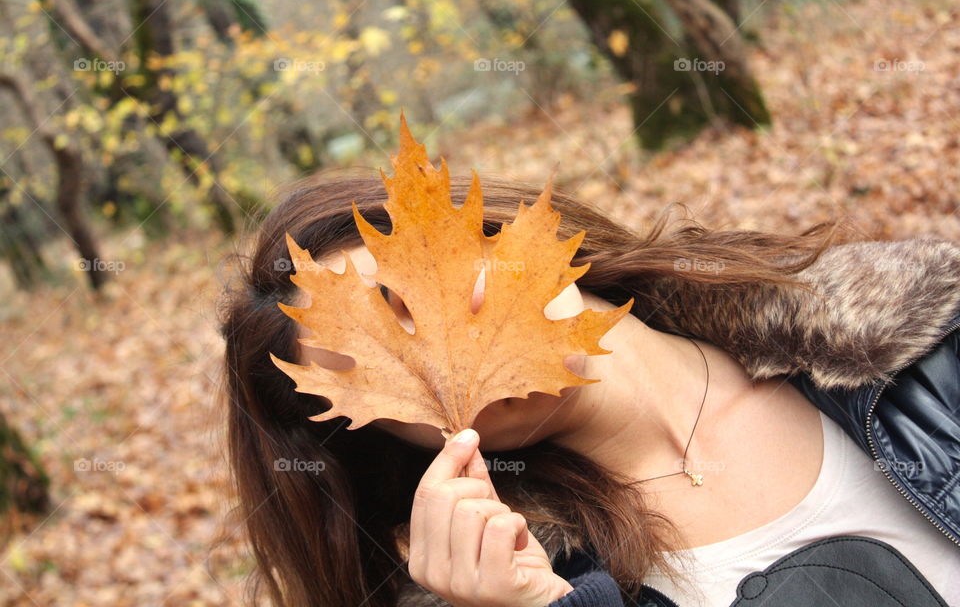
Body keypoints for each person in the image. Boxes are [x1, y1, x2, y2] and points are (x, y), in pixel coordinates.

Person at [219, 174, 960, 607]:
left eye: (410, 297)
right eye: (395, 376)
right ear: (401, 447)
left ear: (489, 231)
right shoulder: (531, 580)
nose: (444, 355)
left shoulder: (904, 329)